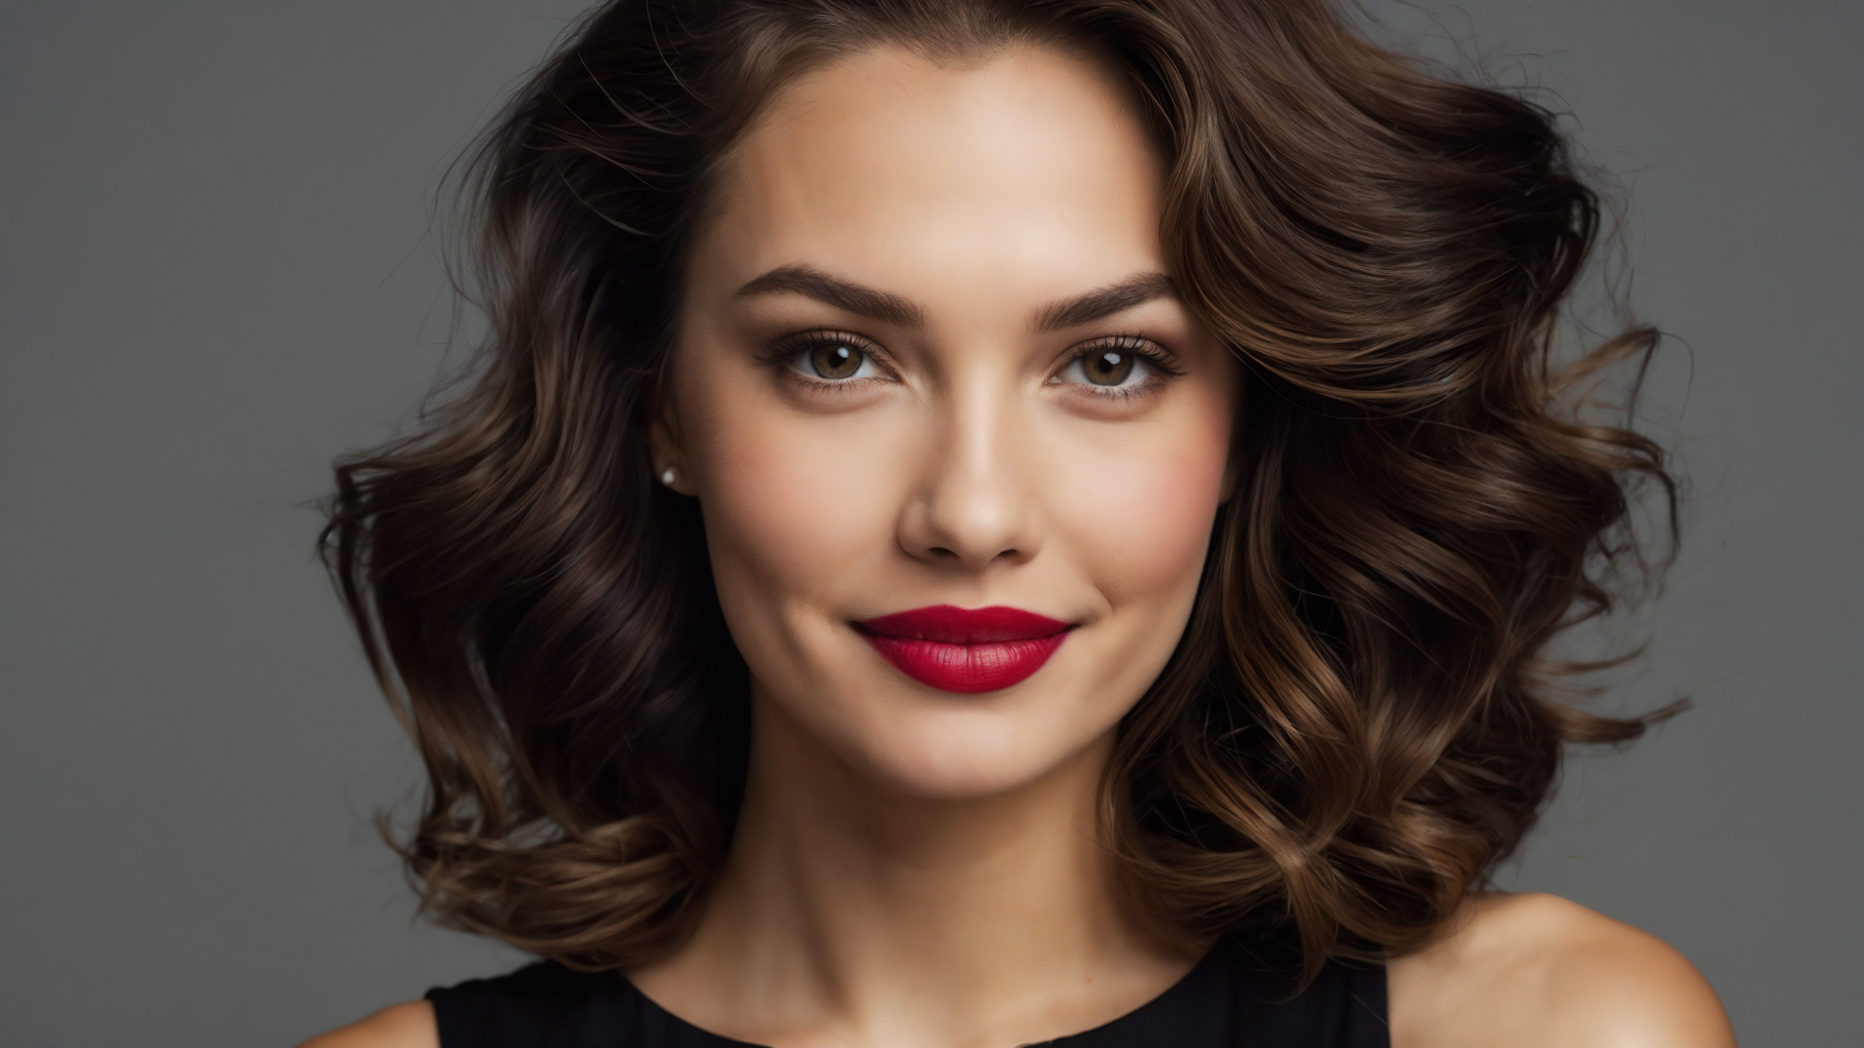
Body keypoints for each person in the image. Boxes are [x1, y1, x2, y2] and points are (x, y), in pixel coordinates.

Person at [305, 1, 1735, 1045]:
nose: (972, 515)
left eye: (1110, 365)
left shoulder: (1558, 1032)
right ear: (657, 406)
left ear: (1247, 424)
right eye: (836, 357)